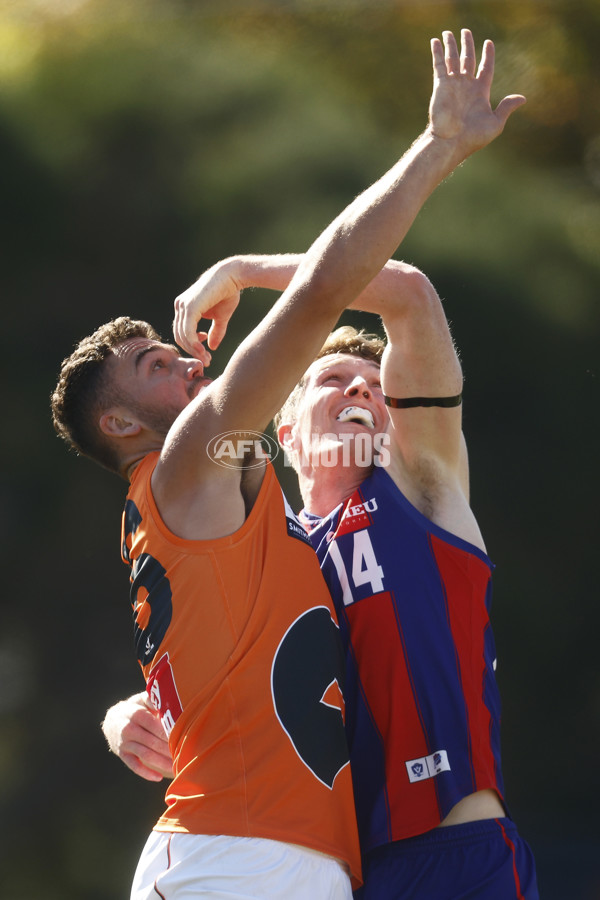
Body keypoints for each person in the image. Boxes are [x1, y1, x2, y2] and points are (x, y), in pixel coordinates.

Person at [57, 29, 529, 900]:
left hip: (421, 856)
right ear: (279, 430)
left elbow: (409, 297)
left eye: (372, 383)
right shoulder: (234, 487)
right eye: (330, 379)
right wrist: (122, 714)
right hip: (295, 859)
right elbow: (318, 302)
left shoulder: (411, 490)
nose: (361, 391)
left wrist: (241, 266)